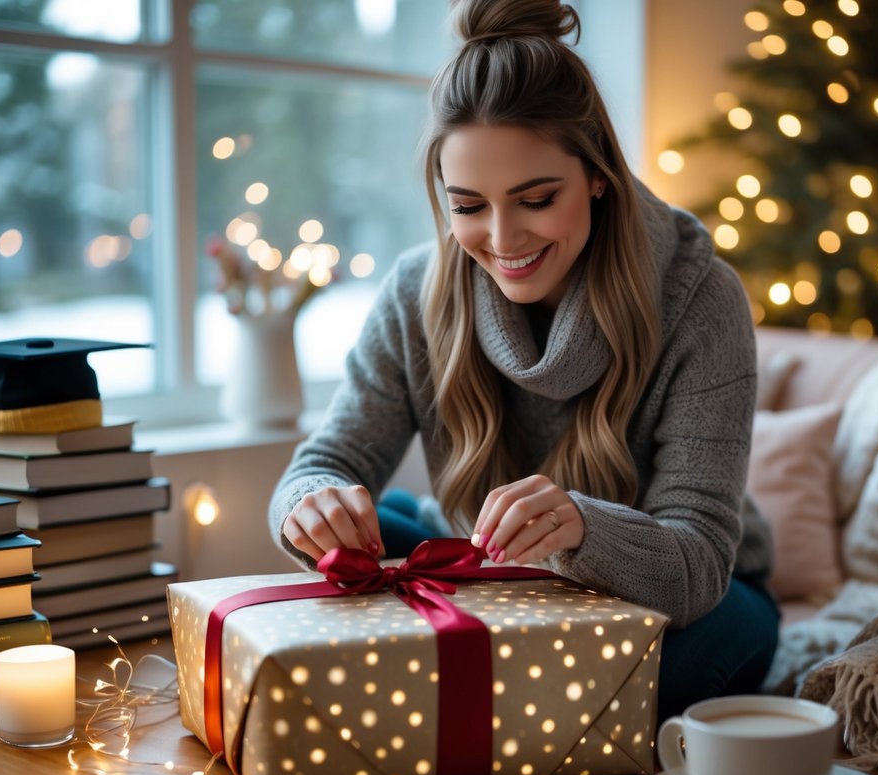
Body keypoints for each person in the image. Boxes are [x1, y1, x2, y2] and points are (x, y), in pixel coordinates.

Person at [269, 0, 779, 719]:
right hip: (494, 565)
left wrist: (581, 526)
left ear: (597, 175)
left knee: (647, 679)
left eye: (536, 199)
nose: (502, 239)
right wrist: (309, 505)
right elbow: (322, 465)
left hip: (689, 591)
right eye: (468, 206)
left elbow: (696, 564)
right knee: (370, 520)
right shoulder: (416, 291)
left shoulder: (700, 297)